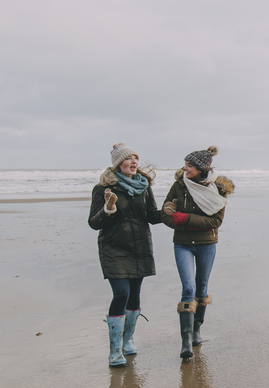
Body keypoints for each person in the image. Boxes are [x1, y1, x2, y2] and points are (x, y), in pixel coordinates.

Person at [88, 143, 163, 367]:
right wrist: (108, 210)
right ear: (118, 164)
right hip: (113, 247)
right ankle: (115, 350)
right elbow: (94, 222)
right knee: (121, 293)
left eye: (135, 158)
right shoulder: (103, 189)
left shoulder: (144, 186)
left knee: (134, 294)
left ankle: (128, 340)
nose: (134, 162)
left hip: (138, 246)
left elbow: (151, 215)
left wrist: (169, 212)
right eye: (128, 158)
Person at [161, 146, 235, 360]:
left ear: (202, 169)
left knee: (201, 288)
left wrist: (184, 219)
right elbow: (165, 215)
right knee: (188, 288)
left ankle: (196, 330)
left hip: (206, 244)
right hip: (182, 244)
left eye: (190, 165)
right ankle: (185, 341)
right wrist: (181, 221)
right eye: (185, 164)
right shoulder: (179, 186)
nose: (185, 168)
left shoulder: (217, 190)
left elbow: (215, 221)